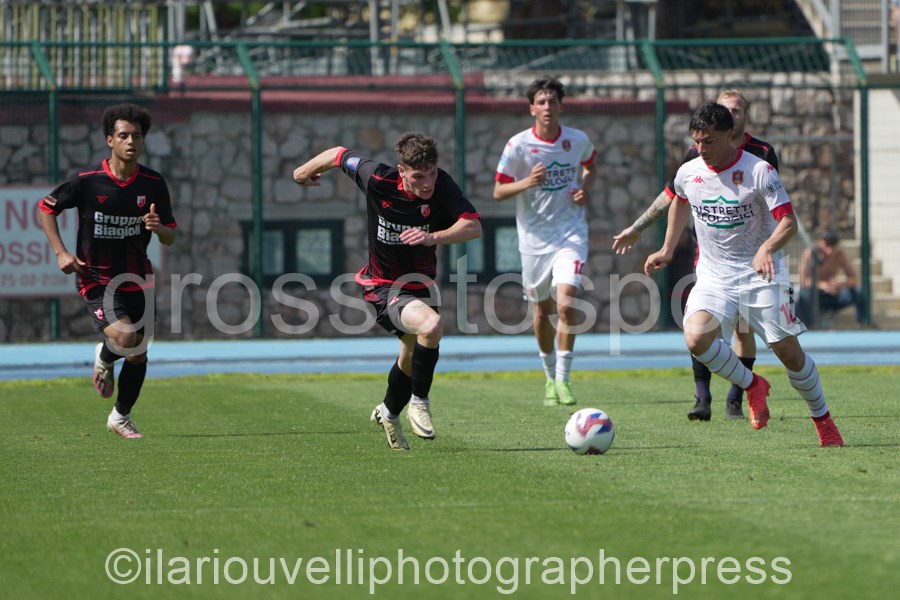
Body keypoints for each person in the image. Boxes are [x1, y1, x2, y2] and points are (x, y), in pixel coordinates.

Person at [644, 102, 843, 447]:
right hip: (714, 276)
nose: (701, 149)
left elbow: (788, 222)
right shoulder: (689, 171)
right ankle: (753, 385)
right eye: (697, 141)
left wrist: (766, 248)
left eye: (708, 141)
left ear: (728, 134)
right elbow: (680, 200)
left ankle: (823, 420)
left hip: (760, 275)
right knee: (696, 337)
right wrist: (667, 248)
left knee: (789, 353)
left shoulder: (759, 170)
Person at [292, 132, 482, 451]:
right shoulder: (378, 178)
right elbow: (339, 155)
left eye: (432, 173)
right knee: (432, 326)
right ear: (402, 171)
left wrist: (432, 237)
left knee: (411, 354)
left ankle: (389, 413)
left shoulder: (443, 186)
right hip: (382, 287)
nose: (427, 183)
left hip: (421, 288)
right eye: (419, 176)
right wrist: (302, 172)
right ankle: (420, 402)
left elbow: (473, 226)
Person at [613, 89, 779, 422]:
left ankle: (737, 398)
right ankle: (702, 397)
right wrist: (639, 228)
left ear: (743, 117)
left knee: (742, 330)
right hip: (710, 257)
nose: (731, 113)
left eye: (736, 110)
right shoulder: (698, 151)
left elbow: (772, 202)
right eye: (725, 108)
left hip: (749, 260)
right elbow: (674, 194)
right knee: (703, 327)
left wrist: (767, 247)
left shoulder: (762, 154)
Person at [39, 103, 178, 439]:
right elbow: (46, 208)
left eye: (137, 136)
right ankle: (104, 357)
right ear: (109, 140)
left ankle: (120, 417)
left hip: (137, 277)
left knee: (139, 353)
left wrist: (159, 228)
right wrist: (61, 253)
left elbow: (170, 236)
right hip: (97, 277)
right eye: (124, 135)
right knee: (126, 338)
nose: (131, 141)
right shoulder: (87, 181)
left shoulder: (153, 183)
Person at [493, 76, 597, 407]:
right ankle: (550, 377)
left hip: (569, 232)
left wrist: (585, 190)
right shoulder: (518, 145)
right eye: (541, 102)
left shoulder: (577, 140)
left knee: (566, 303)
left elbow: (590, 166)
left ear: (561, 106)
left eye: (552, 101)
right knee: (542, 311)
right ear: (532, 109)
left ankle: (564, 379)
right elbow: (498, 191)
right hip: (534, 239)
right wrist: (527, 181)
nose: (547, 106)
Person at [797, 229, 863, 327]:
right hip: (815, 295)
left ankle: (862, 322)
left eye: (833, 245)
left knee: (858, 291)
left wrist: (839, 285)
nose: (829, 250)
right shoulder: (809, 253)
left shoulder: (840, 254)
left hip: (833, 295)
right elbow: (803, 281)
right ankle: (810, 325)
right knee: (805, 292)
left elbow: (853, 279)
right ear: (820, 242)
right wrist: (823, 285)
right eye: (827, 245)